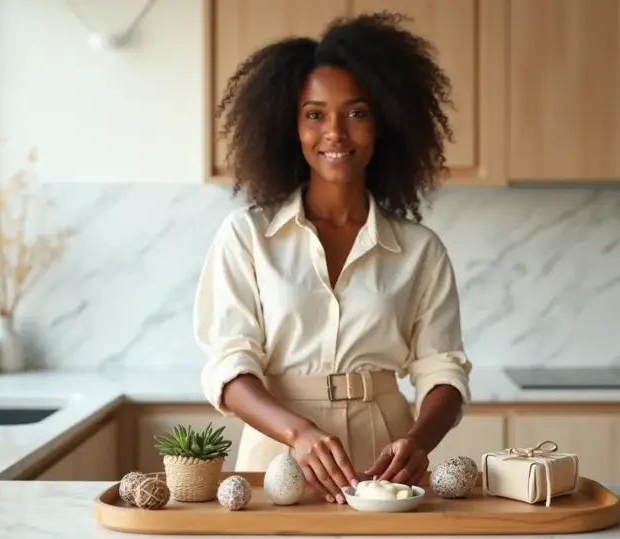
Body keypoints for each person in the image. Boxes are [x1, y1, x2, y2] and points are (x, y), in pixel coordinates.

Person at [193, 11, 472, 505]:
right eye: (315, 114)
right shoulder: (247, 236)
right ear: (290, 125)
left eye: (356, 113)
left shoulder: (421, 250)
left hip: (385, 455)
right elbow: (229, 366)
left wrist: (419, 441)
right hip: (277, 451)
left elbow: (443, 369)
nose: (336, 133)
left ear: (383, 122)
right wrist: (297, 432)